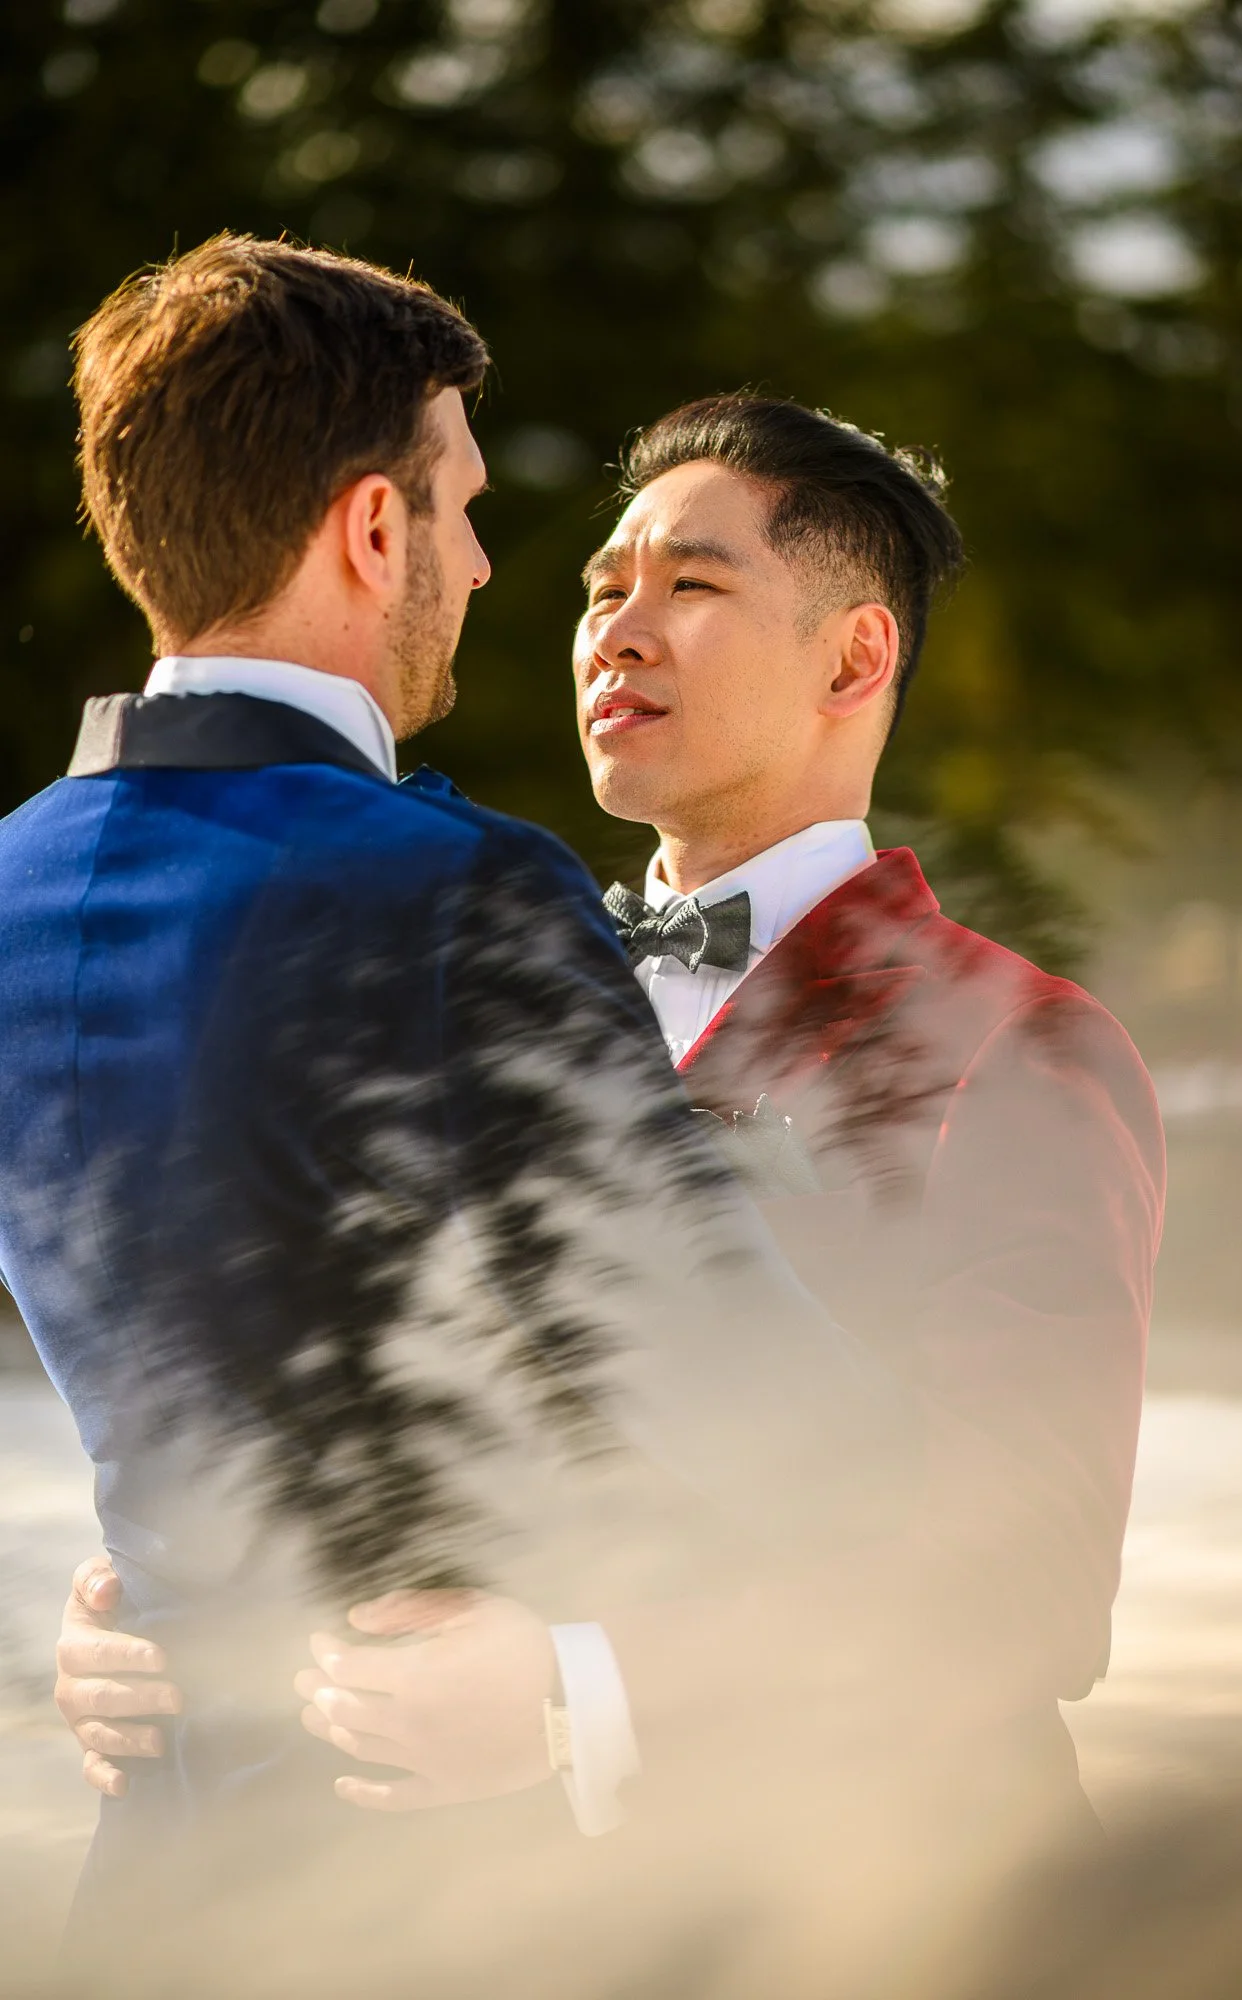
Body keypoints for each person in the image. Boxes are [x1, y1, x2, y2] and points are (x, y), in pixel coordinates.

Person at [53, 391, 1166, 1989]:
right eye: (600, 588)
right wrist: (171, 1625)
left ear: (854, 659)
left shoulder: (1015, 1045)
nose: (615, 631)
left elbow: (1029, 1583)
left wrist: (590, 1693)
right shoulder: (465, 967)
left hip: (872, 1913)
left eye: (690, 586)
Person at [0, 245, 902, 1992]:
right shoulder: (451, 888)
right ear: (370, 529)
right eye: (464, 507)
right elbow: (768, 1419)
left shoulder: (11, 886)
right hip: (440, 1881)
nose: (486, 565)